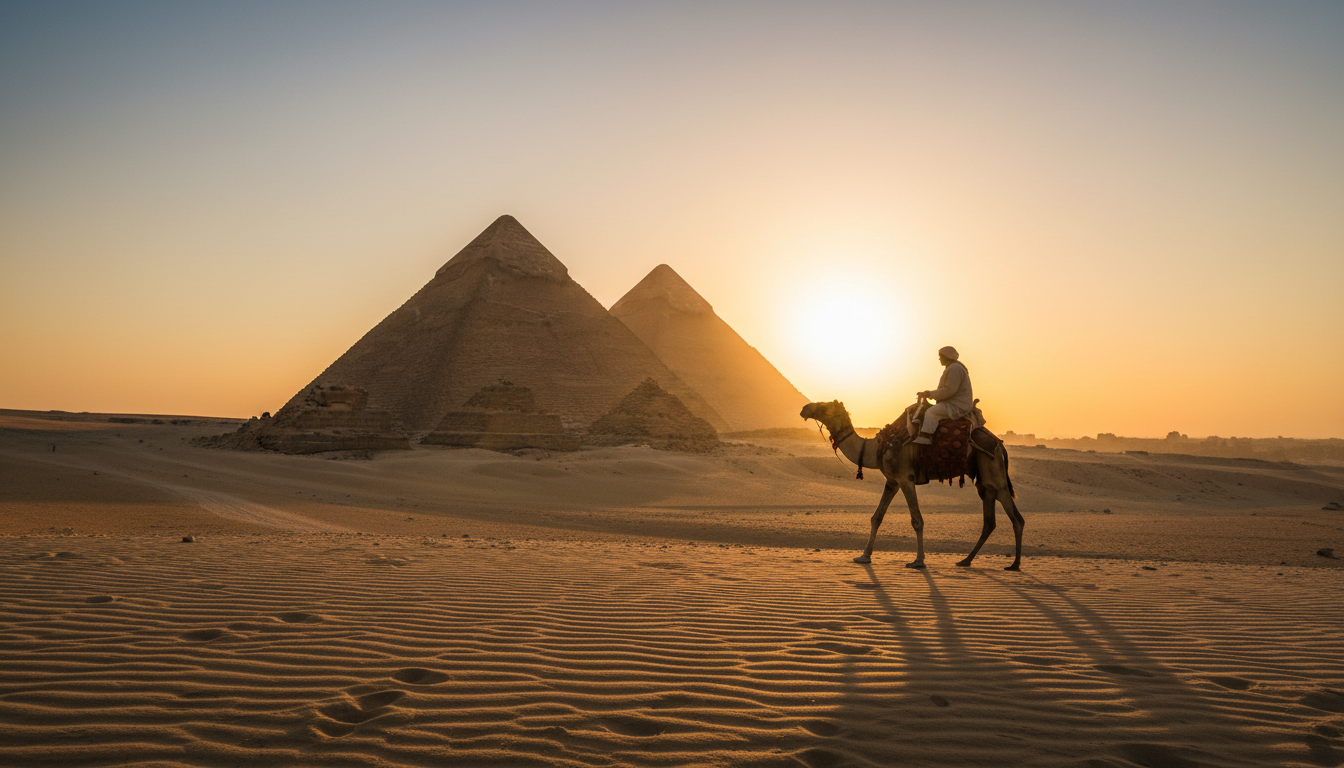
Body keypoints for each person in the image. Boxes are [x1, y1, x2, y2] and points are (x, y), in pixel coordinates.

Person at [914, 346, 973, 445]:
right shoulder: (952, 368)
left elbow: (949, 390)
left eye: (941, 356)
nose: (939, 359)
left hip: (957, 405)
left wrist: (930, 394)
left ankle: (925, 437)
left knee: (931, 412)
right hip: (952, 403)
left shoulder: (955, 368)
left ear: (947, 356)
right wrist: (928, 394)